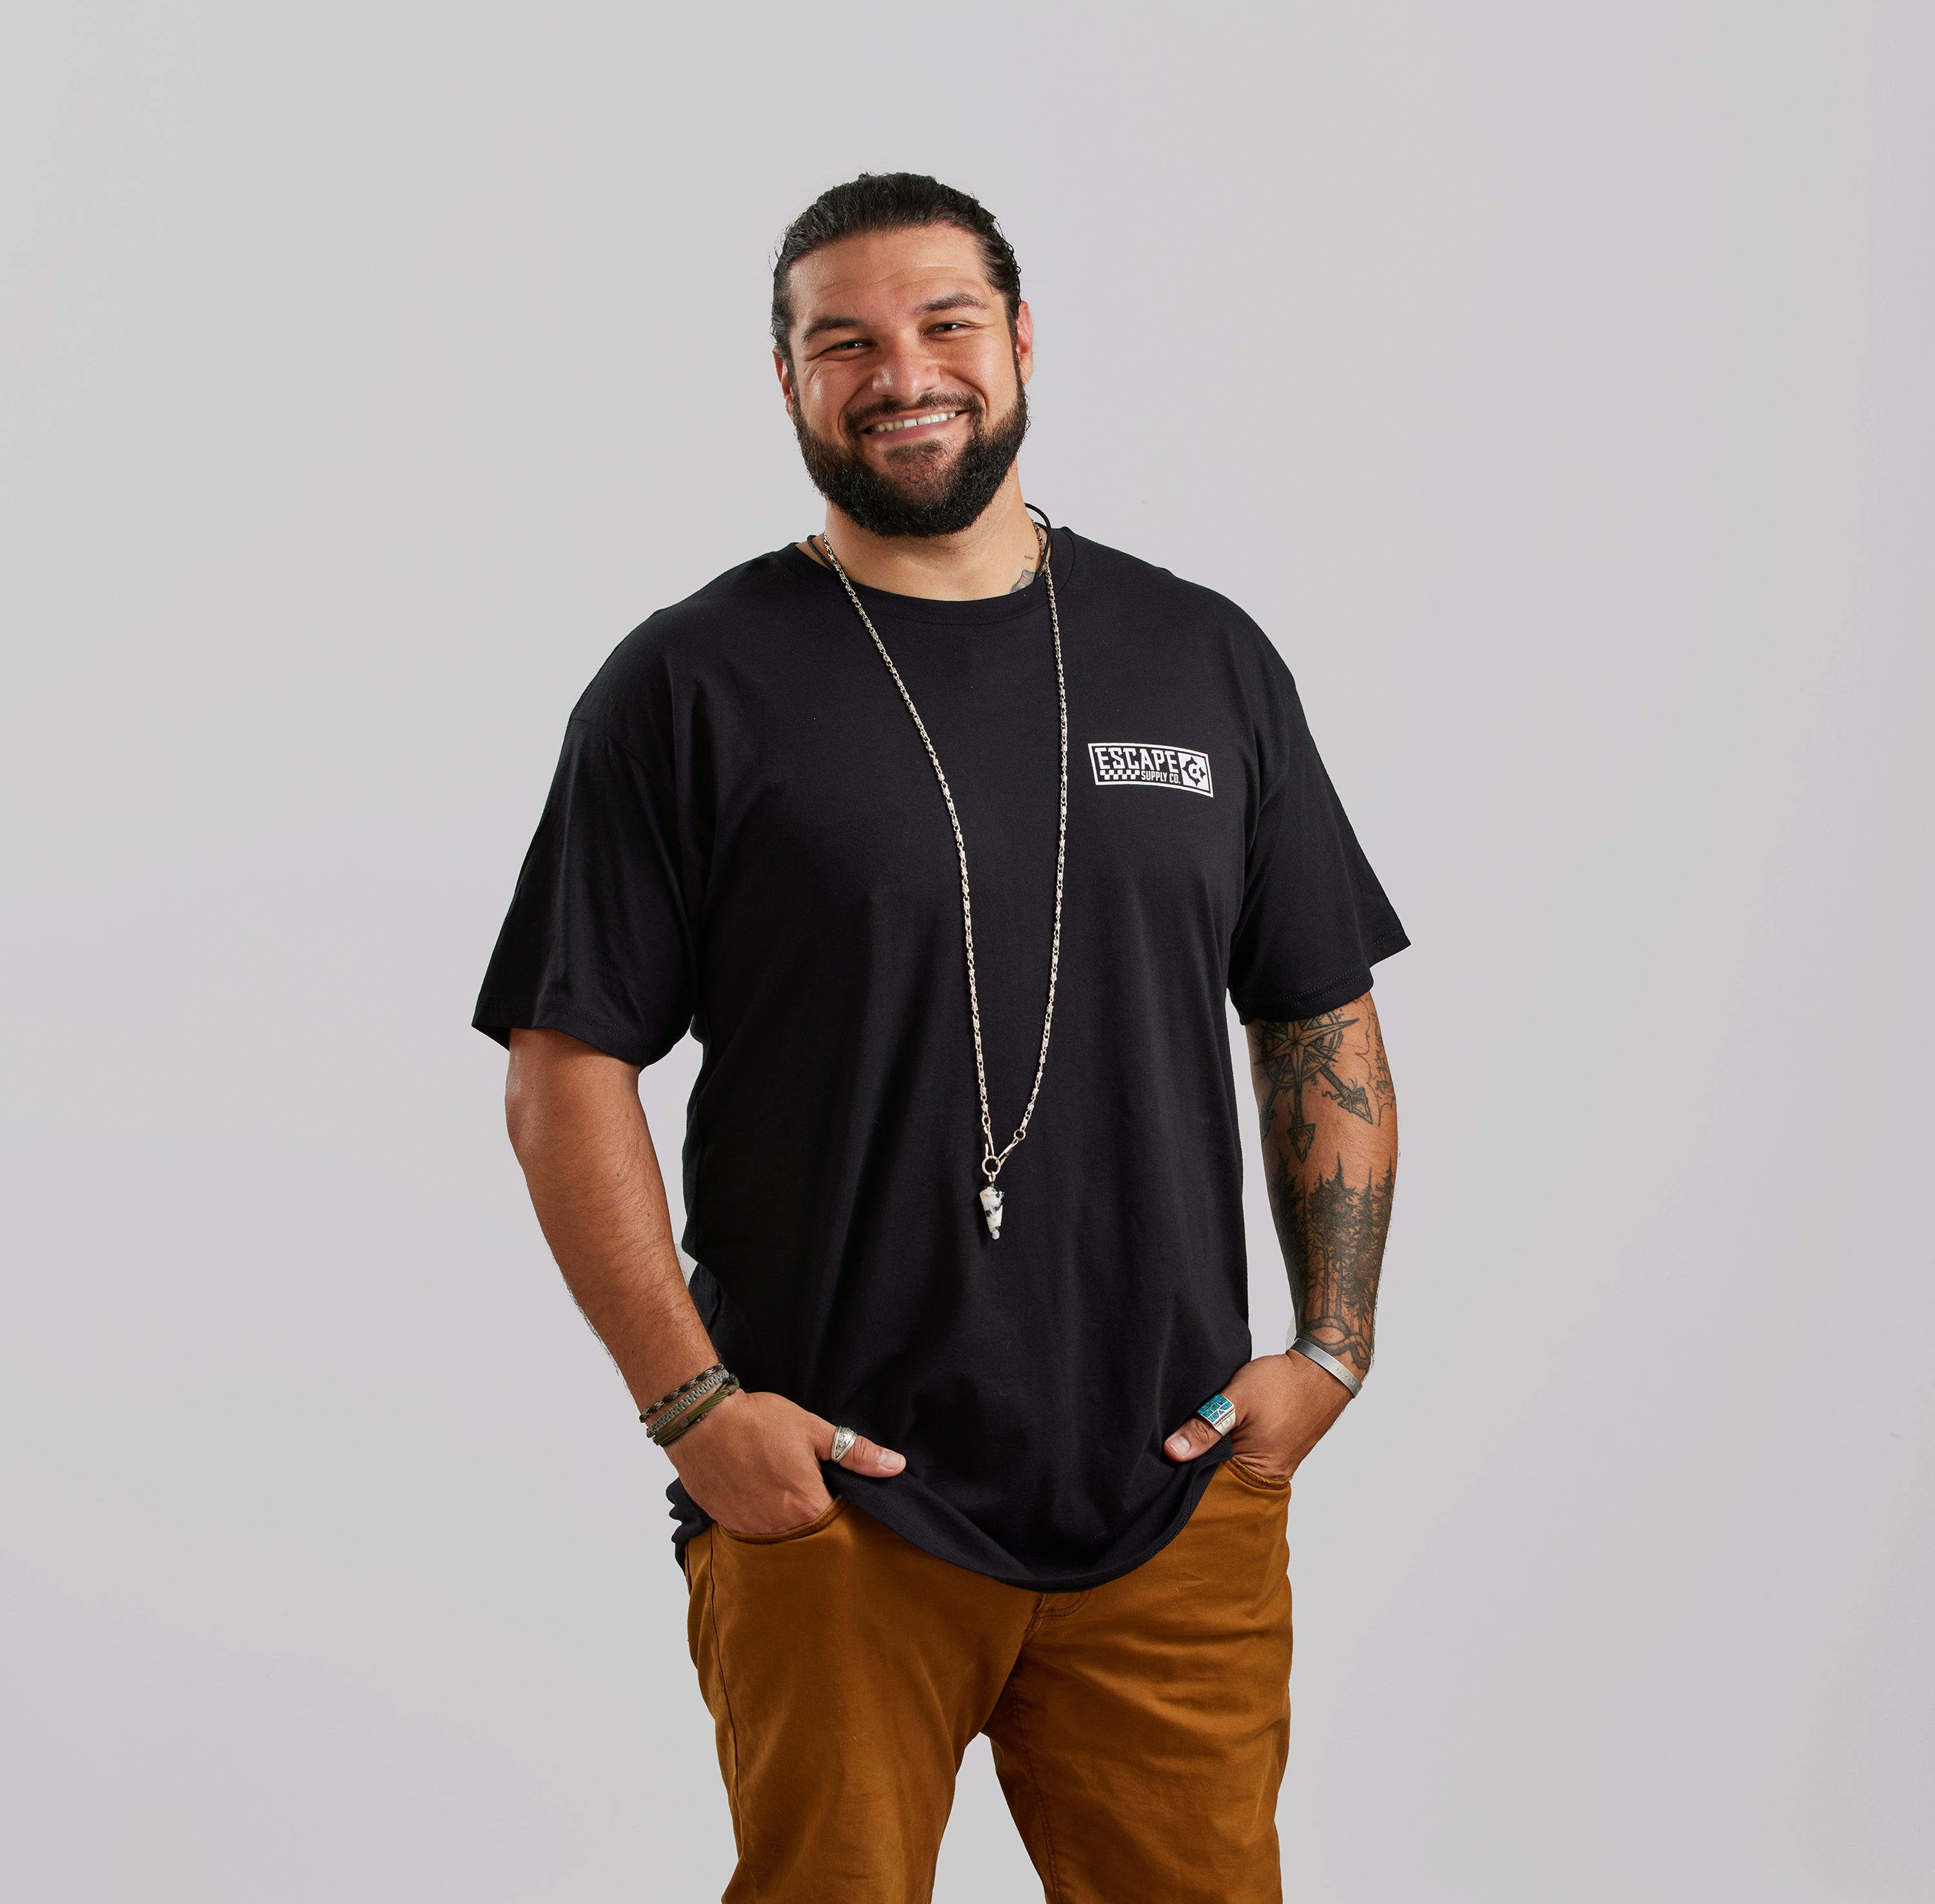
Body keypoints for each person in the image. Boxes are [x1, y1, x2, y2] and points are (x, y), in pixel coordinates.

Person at [474, 172, 1407, 1904]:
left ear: (1023, 340)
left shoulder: (1201, 658)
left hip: (1173, 1502)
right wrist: (692, 1410)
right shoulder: (690, 683)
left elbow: (1316, 1009)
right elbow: (564, 1066)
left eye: (944, 323)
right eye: (845, 343)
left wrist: (1332, 1351)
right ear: (787, 381)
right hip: (836, 1506)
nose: (902, 374)